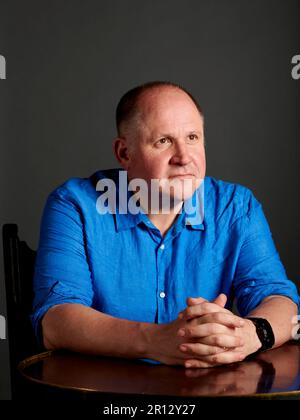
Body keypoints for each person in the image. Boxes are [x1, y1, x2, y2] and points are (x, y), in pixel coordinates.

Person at [31, 81, 299, 369]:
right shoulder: (75, 205)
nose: (184, 157)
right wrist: (155, 340)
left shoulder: (236, 206)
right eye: (163, 141)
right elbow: (55, 321)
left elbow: (280, 300)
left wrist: (250, 334)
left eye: (193, 137)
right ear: (124, 153)